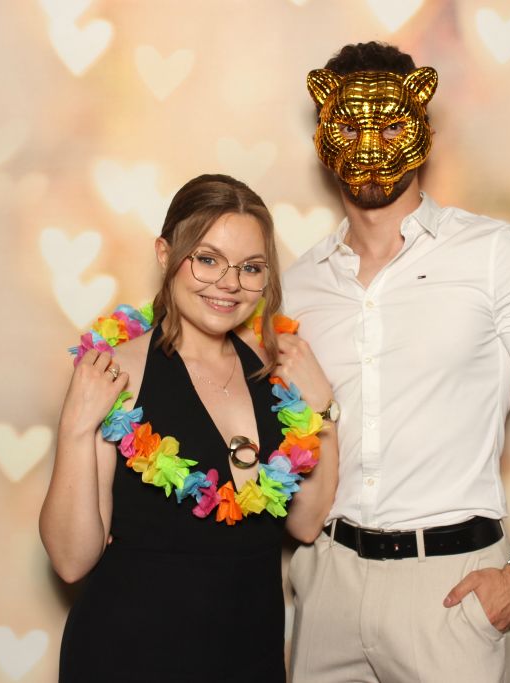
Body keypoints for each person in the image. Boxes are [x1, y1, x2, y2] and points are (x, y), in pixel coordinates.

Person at [283, 42, 510, 682]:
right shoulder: (298, 285)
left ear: (422, 128)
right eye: (349, 127)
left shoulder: (493, 255)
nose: (369, 145)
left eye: (390, 126)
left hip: (450, 587)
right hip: (327, 582)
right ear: (323, 133)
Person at [39, 174, 338, 682]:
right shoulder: (117, 371)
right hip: (130, 658)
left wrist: (321, 407)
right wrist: (74, 427)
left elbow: (306, 524)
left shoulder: (276, 370)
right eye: (208, 259)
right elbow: (71, 560)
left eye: (250, 267)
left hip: (249, 658)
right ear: (166, 254)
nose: (229, 283)